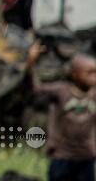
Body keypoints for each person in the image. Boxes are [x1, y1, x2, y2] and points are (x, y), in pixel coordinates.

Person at [25, 41, 96, 181]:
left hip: (86, 157)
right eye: (90, 73)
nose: (94, 78)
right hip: (62, 157)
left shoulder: (94, 94)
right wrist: (31, 61)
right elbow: (35, 88)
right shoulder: (61, 91)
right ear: (75, 74)